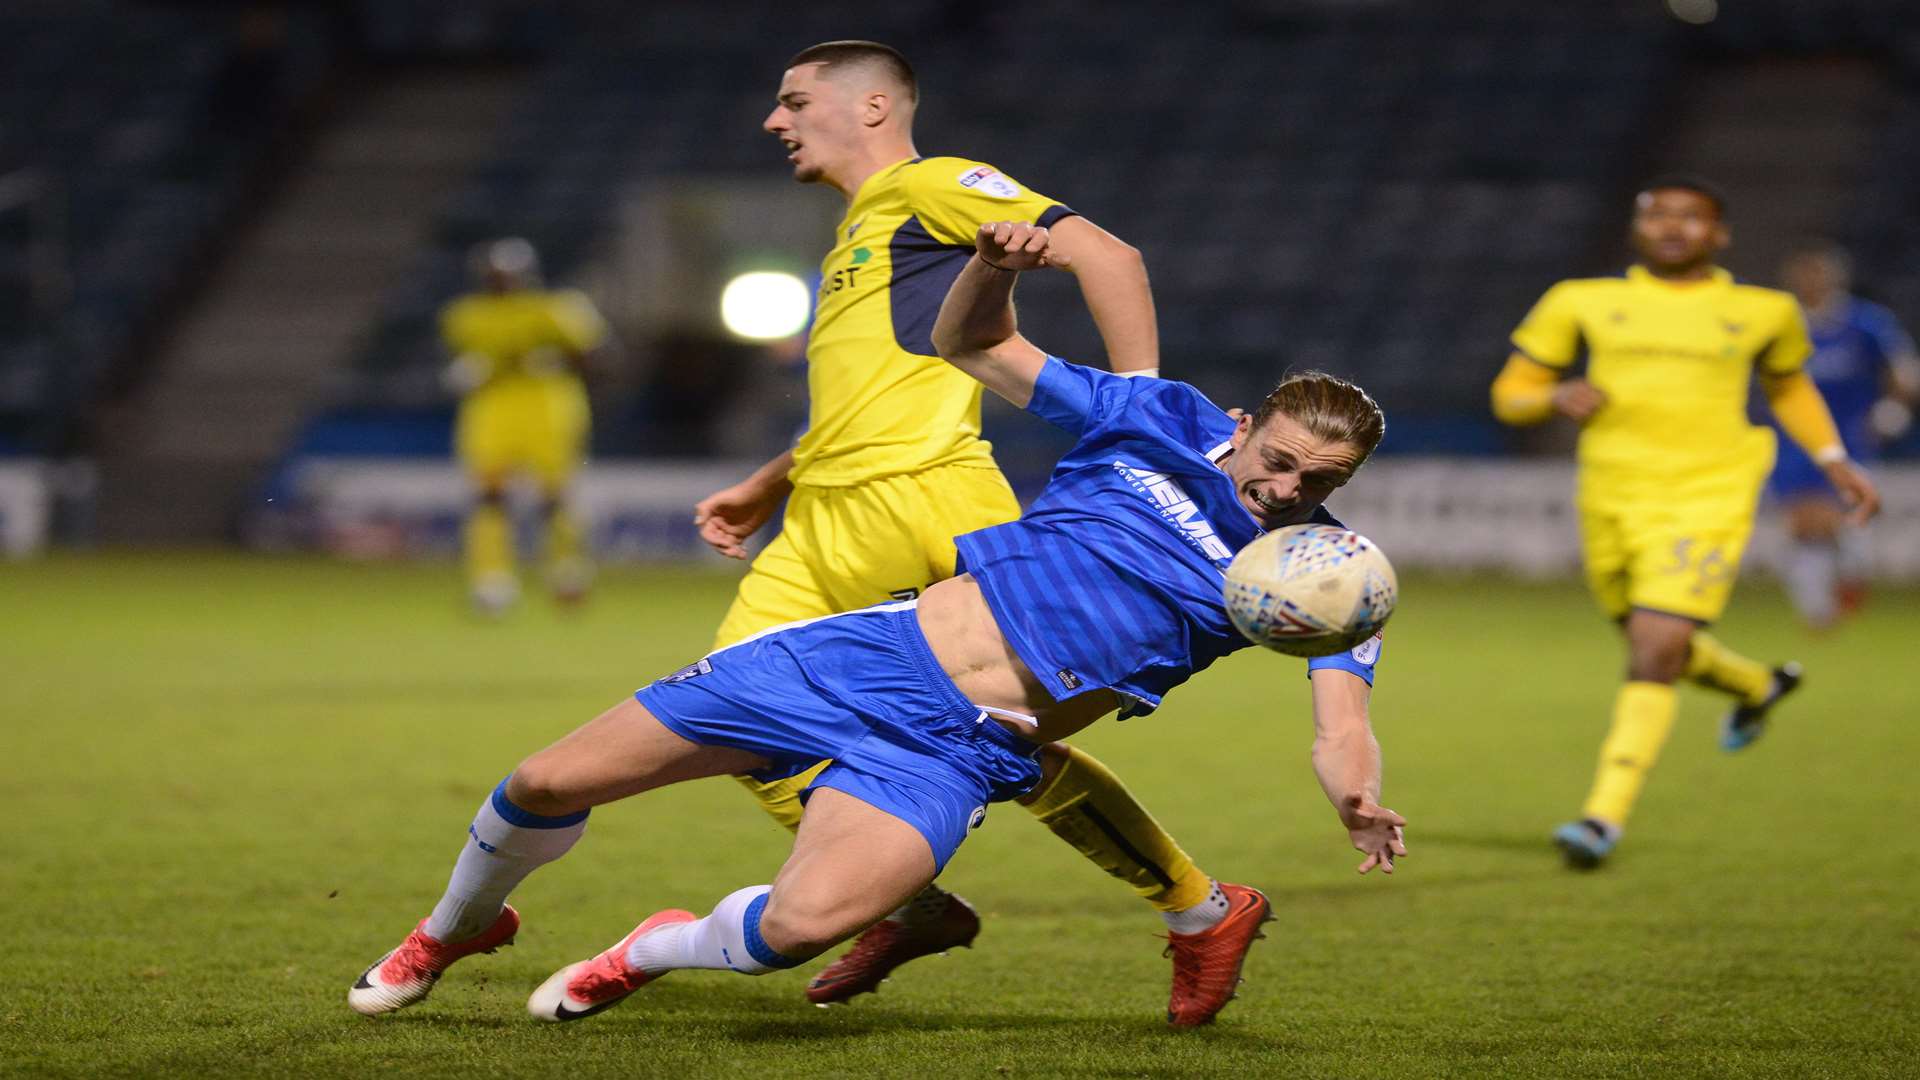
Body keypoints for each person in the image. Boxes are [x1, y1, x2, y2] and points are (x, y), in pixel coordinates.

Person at [348, 220, 1407, 1027]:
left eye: (1319, 480)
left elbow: (1340, 718)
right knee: (544, 782)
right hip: (865, 655)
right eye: (1276, 461)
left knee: (795, 930)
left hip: (963, 748)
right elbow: (971, 343)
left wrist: (1356, 792)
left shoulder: (1324, 575)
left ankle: (656, 949)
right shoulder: (1158, 418)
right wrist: (994, 263)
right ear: (1242, 426)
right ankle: (453, 930)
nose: (1284, 490)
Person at [692, 41, 1256, 1022]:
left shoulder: (935, 183)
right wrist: (769, 482)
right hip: (827, 517)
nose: (773, 123)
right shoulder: (855, 233)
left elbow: (1108, 256)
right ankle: (908, 906)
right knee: (736, 725)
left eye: (792, 102)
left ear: (872, 106)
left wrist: (1143, 418)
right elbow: (870, 392)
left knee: (1014, 739)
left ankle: (1200, 909)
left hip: (936, 502)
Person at [1490, 176, 1883, 869]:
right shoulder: (1583, 300)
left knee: (1654, 644)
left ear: (1719, 233)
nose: (1674, 228)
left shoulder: (1763, 311)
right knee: (1653, 641)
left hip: (1708, 492)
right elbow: (1511, 393)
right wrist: (1553, 394)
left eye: (1691, 218)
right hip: (1611, 494)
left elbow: (1790, 385)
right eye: (1658, 215)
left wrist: (1834, 460)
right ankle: (1757, 687)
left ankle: (1602, 816)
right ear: (1638, 229)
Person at [440, 238, 608, 613]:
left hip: (547, 405)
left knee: (554, 497)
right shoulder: (467, 314)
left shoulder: (555, 309)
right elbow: (461, 361)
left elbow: (596, 355)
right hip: (492, 407)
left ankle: (567, 570)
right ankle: (492, 581)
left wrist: (553, 357)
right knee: (489, 497)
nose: (503, 282)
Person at [1769, 241, 1919, 630]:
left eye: (1819, 272)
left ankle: (1851, 574)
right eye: (1803, 273)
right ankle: (1818, 612)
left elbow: (1902, 371)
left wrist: (1893, 410)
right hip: (1794, 439)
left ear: (1837, 277)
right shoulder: (1781, 323)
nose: (1810, 281)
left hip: (1849, 437)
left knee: (1841, 520)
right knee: (1803, 522)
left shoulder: (1867, 323)